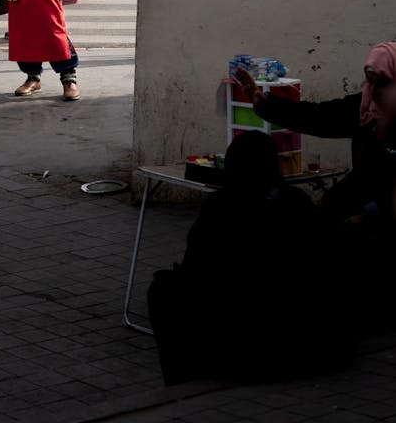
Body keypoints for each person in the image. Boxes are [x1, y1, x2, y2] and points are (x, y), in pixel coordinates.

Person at [148, 131, 352, 384]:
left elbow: (197, 268)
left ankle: (184, 378)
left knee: (163, 289)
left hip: (244, 337)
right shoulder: (296, 201)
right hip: (298, 338)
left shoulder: (221, 207)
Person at [234, 43, 396, 331]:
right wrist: (262, 102)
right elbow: (319, 116)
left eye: (381, 81)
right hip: (360, 190)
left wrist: (371, 213)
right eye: (369, 79)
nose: (373, 88)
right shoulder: (364, 107)